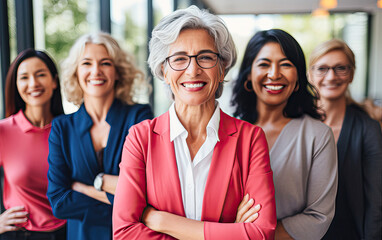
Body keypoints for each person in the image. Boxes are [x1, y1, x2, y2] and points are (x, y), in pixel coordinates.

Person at [113, 6, 276, 240]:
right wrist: (230, 233)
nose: (193, 70)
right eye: (179, 59)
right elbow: (125, 233)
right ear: (164, 71)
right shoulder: (141, 138)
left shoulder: (250, 139)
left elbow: (261, 234)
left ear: (221, 69)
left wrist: (163, 221)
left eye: (205, 58)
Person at [231, 29, 338, 240]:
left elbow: (318, 217)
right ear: (248, 76)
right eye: (263, 64)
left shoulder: (318, 136)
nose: (274, 74)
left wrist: (250, 235)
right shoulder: (228, 131)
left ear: (298, 78)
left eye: (286, 64)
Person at [46, 32, 153, 240]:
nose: (96, 71)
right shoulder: (62, 127)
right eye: (86, 63)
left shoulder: (139, 116)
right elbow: (59, 202)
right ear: (76, 72)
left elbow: (148, 190)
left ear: (118, 71)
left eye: (105, 63)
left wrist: (94, 184)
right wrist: (126, 202)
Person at [308, 39, 382, 240]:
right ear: (309, 74)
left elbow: (376, 201)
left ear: (352, 74)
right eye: (322, 68)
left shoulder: (368, 128)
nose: (331, 77)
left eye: (341, 68)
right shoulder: (296, 122)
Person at [0, 49, 66, 239]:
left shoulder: (69, 130)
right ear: (16, 85)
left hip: (69, 232)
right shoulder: (3, 131)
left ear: (54, 81)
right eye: (24, 77)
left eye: (40, 75)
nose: (33, 83)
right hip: (21, 235)